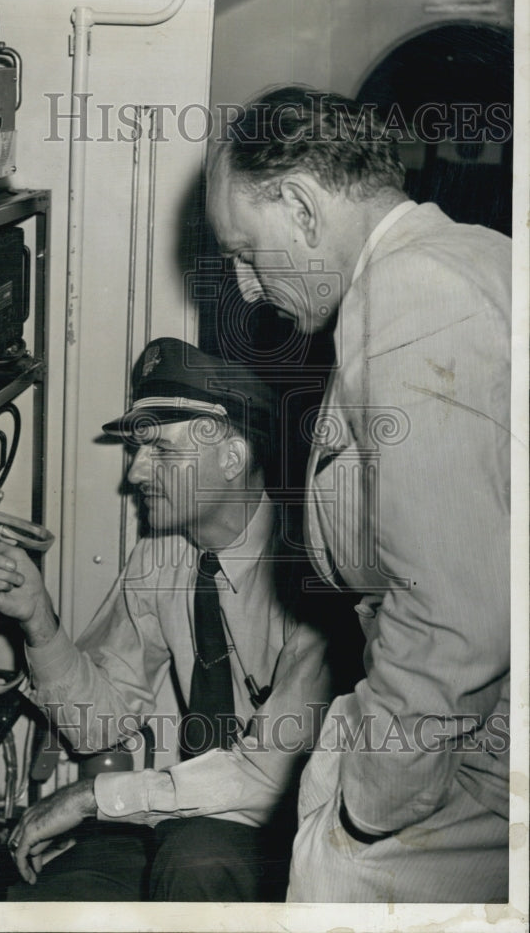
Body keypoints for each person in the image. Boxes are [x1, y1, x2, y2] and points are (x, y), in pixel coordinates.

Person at [205, 86, 511, 903]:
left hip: (467, 746)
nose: (240, 286)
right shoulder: (473, 255)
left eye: (243, 248)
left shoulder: (412, 298)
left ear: (301, 207)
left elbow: (453, 612)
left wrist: (368, 817)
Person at [0, 336, 348, 901]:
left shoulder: (314, 575)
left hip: (281, 822)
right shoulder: (163, 554)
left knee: (196, 863)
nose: (135, 473)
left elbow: (268, 776)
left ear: (232, 456)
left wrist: (92, 798)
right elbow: (102, 728)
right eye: (136, 450)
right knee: (59, 899)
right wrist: (39, 623)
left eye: (161, 452)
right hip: (173, 805)